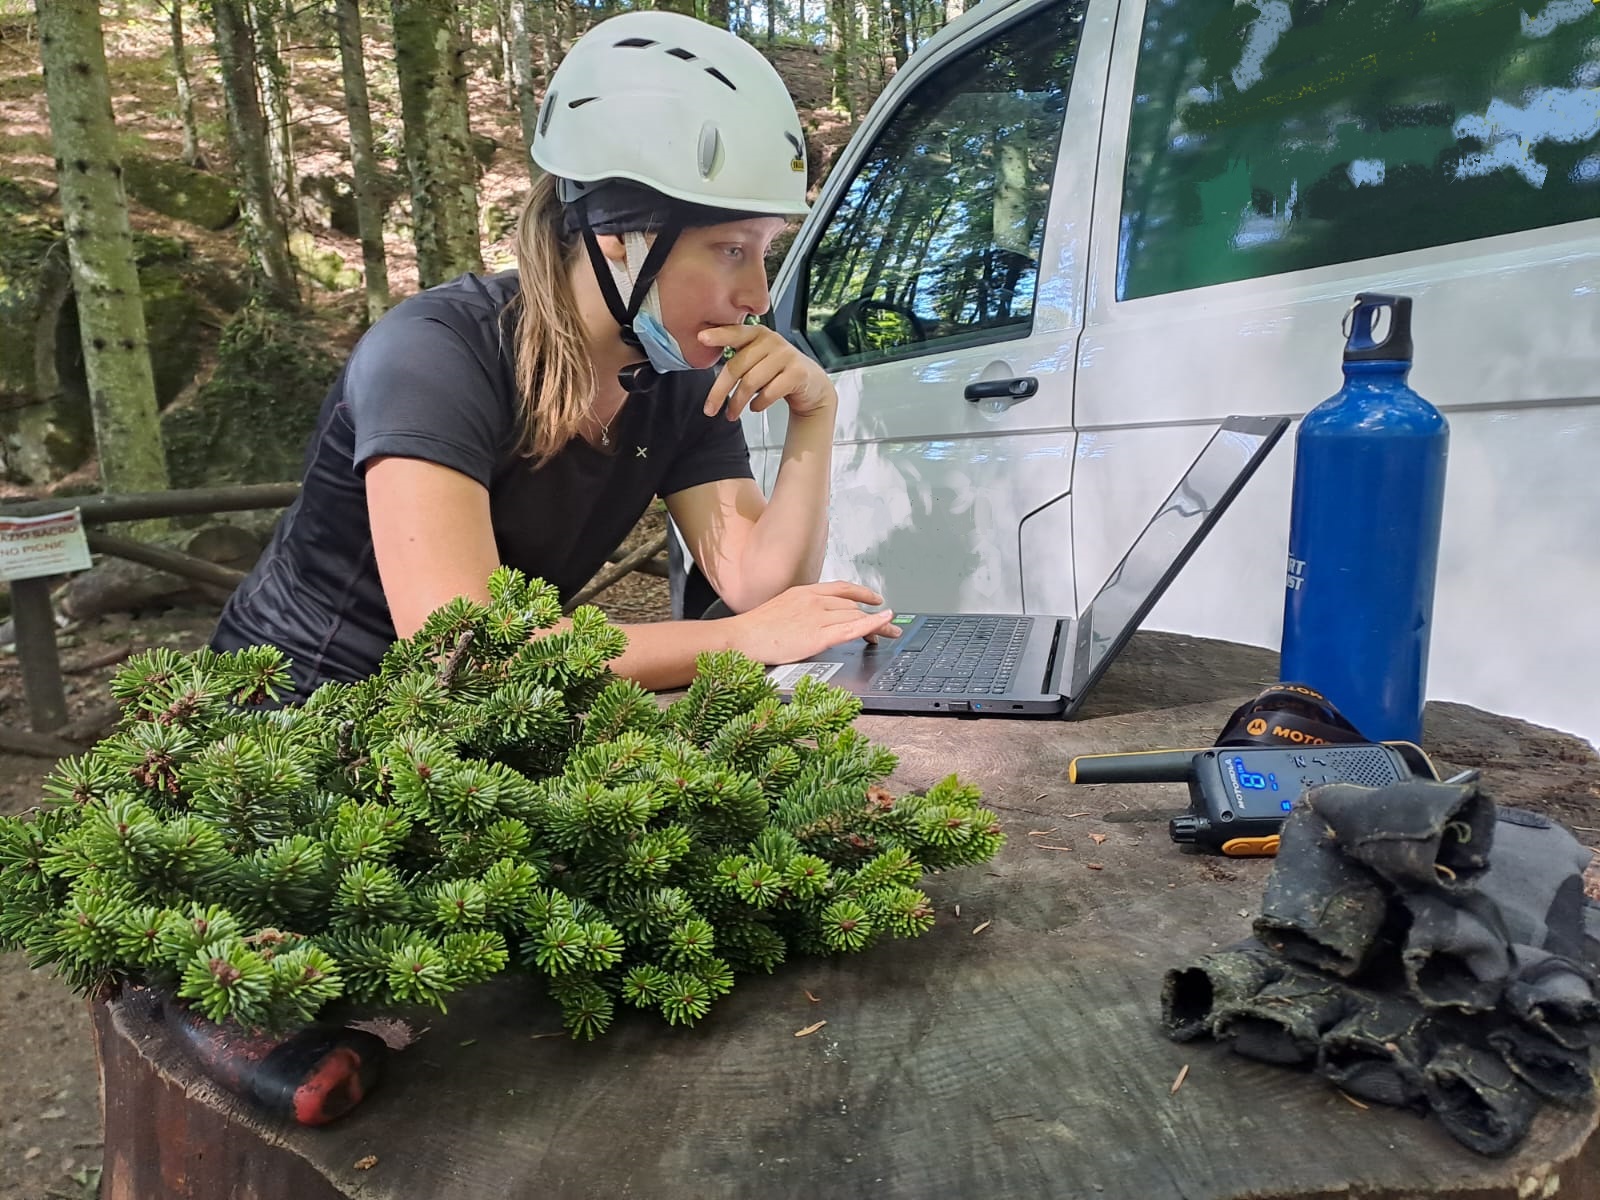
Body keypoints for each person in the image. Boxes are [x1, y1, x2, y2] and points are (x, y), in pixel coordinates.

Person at [209, 10, 898, 702]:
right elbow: (462, 648)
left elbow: (755, 583)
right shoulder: (434, 355)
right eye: (730, 250)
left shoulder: (678, 375)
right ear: (620, 236)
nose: (755, 295)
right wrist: (739, 639)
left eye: (765, 251)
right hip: (291, 720)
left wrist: (815, 415)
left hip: (476, 729)